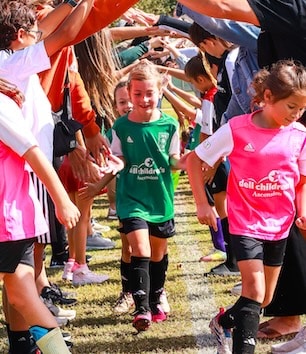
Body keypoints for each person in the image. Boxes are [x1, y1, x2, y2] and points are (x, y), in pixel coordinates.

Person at [184, 59, 306, 354]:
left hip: (279, 225)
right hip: (245, 222)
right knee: (254, 290)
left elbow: (301, 180)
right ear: (267, 98)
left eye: (302, 108)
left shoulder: (299, 136)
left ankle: (222, 321)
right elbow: (194, 159)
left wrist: (302, 210)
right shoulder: (236, 129)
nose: (297, 114)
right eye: (291, 106)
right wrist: (203, 203)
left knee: (262, 299)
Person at [79, 60, 184, 332]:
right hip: (131, 200)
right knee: (141, 249)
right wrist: (99, 183)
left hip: (160, 199)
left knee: (158, 256)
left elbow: (173, 159)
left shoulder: (170, 125)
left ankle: (156, 294)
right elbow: (119, 159)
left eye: (149, 93)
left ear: (159, 91)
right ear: (130, 93)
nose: (143, 99)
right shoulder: (121, 127)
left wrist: (186, 163)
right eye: (137, 94)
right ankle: (141, 309)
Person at [0, 87, 80, 353]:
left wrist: (62, 200)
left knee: (22, 295)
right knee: (22, 296)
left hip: (7, 219)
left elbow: (33, 152)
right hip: (14, 219)